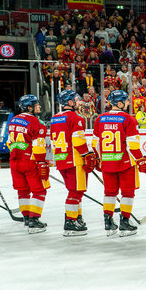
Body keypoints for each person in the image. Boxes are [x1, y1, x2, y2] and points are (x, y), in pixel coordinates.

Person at [93, 89, 146, 236]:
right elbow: (133, 146)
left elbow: (95, 143)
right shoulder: (128, 119)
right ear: (119, 103)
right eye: (126, 101)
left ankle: (108, 222)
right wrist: (141, 160)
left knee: (109, 192)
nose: (128, 103)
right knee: (127, 193)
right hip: (125, 164)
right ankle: (124, 222)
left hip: (107, 163)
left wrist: (99, 159)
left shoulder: (100, 119)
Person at [50, 90, 98, 236]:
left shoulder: (55, 118)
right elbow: (78, 142)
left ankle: (77, 217)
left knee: (75, 191)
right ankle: (70, 223)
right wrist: (87, 155)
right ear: (70, 102)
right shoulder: (76, 118)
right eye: (76, 100)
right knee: (75, 192)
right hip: (74, 161)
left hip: (61, 159)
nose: (79, 102)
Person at [8, 94, 50, 233]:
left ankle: (26, 218)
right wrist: (41, 162)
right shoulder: (37, 123)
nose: (39, 107)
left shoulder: (13, 120)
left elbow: (9, 142)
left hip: (15, 161)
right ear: (29, 107)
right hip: (30, 162)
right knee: (40, 190)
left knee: (23, 190)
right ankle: (34, 220)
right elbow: (38, 146)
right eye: (37, 104)